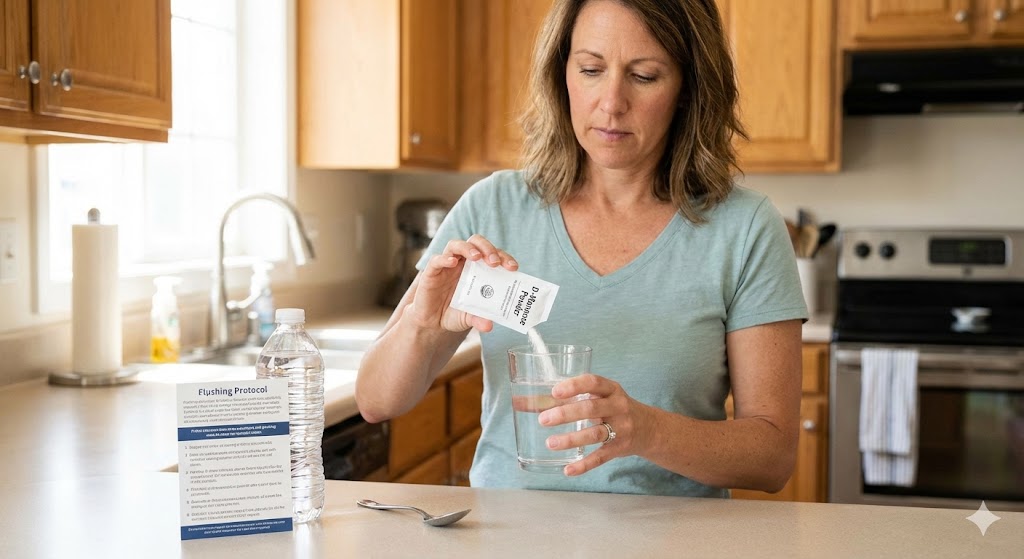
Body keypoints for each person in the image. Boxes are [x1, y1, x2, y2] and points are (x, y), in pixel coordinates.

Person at [356, 0, 807, 498]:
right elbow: (377, 402)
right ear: (562, 74)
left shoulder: (744, 227)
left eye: (645, 76)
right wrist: (423, 323)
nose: (611, 102)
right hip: (510, 539)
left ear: (687, 90)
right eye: (591, 69)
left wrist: (644, 429)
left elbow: (773, 457)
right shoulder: (493, 208)